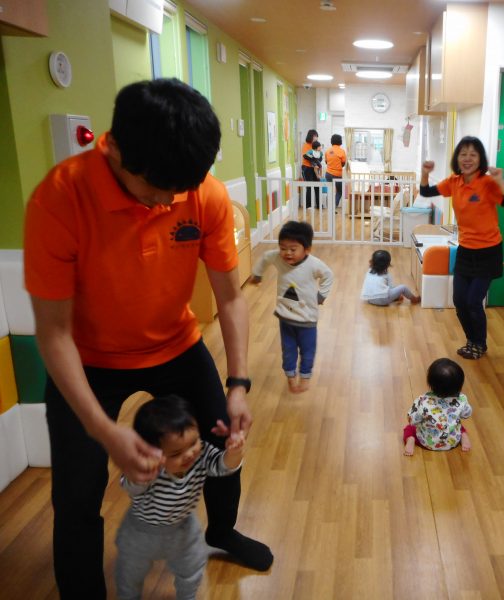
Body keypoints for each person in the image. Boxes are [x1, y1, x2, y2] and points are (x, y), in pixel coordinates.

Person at [23, 79, 272, 599]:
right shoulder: (59, 198)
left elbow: (229, 296)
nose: (165, 203)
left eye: (176, 193)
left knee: (224, 435)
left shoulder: (201, 193)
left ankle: (221, 531)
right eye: (152, 190)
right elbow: (53, 330)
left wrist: (240, 383)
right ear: (112, 147)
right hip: (88, 360)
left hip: (176, 346)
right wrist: (101, 429)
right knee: (76, 491)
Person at [115, 395, 245, 600]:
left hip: (183, 528)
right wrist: (140, 470)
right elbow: (131, 487)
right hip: (140, 533)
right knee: (129, 575)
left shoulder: (200, 455)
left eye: (193, 442)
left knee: (192, 568)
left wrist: (234, 451)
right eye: (175, 453)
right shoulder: (148, 468)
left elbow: (223, 467)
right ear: (150, 452)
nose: (189, 454)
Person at [420, 136, 504, 359]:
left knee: (474, 300)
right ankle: (470, 340)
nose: (467, 159)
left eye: (473, 154)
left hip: (488, 251)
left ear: (480, 158)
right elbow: (426, 192)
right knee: (459, 300)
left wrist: (500, 180)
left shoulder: (488, 183)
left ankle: (479, 343)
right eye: (463, 154)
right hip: (465, 249)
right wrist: (425, 172)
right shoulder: (454, 182)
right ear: (458, 157)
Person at [249, 221, 333, 393]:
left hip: (307, 319)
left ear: (307, 249)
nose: (287, 253)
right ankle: (290, 376)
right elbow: (265, 258)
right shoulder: (277, 257)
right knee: (288, 350)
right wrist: (257, 275)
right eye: (283, 248)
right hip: (285, 317)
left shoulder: (313, 264)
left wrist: (321, 295)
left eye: (293, 249)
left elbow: (328, 276)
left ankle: (305, 375)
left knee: (308, 351)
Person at [404, 358, 473, 456]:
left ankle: (411, 440)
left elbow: (412, 420)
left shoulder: (423, 400)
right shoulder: (461, 399)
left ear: (431, 383)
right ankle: (463, 435)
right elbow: (466, 414)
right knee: (457, 424)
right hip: (452, 441)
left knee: (409, 428)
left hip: (427, 443)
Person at [324, 133, 347, 208]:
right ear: (340, 141)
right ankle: (334, 206)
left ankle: (328, 206)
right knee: (339, 191)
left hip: (328, 174)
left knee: (329, 191)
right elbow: (343, 164)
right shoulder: (342, 151)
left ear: (332, 141)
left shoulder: (327, 151)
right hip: (337, 175)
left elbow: (326, 162)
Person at [301, 129, 320, 208]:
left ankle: (319, 204)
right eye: (315, 136)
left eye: (316, 136)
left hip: (314, 168)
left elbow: (318, 156)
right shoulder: (306, 145)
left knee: (317, 186)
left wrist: (316, 161)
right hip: (307, 168)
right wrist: (314, 160)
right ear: (311, 136)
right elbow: (306, 156)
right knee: (309, 187)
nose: (316, 138)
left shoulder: (315, 146)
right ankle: (308, 206)